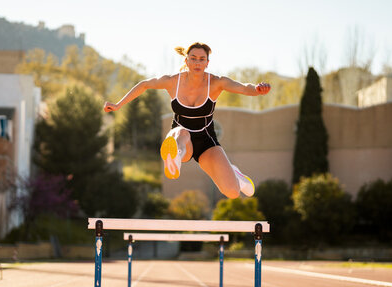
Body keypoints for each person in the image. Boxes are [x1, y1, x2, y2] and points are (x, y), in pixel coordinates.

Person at [104, 42, 271, 199]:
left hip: (206, 141)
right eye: (193, 58)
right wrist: (118, 105)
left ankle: (236, 175)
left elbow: (243, 87)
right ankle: (175, 155)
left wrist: (257, 89)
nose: (197, 62)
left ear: (207, 63)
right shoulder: (172, 81)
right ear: (186, 60)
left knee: (232, 192)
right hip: (181, 137)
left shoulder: (216, 82)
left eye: (201, 59)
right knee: (182, 132)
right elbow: (145, 84)